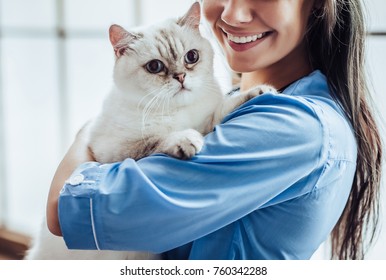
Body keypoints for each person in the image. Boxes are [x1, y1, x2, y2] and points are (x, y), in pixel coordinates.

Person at [46, 0, 382, 260]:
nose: (234, 14)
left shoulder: (295, 128)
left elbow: (63, 208)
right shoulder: (237, 100)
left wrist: (86, 138)